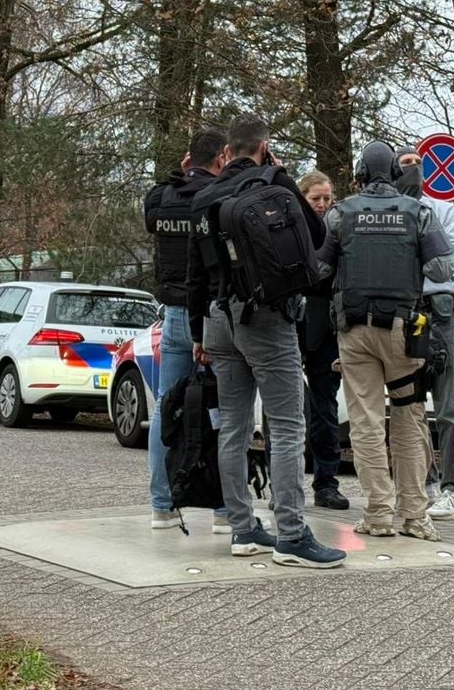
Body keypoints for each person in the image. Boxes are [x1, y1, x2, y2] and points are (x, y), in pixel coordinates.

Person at [188, 113, 346, 569]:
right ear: (265, 146)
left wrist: (199, 331)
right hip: (266, 318)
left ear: (226, 152)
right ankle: (293, 535)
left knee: (233, 427)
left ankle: (243, 529)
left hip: (218, 317)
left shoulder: (205, 195)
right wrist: (280, 176)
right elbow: (317, 236)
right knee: (287, 424)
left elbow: (194, 271)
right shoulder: (274, 180)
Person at [317, 141, 454, 542]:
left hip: (355, 332)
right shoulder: (420, 212)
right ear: (396, 172)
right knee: (410, 419)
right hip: (403, 332)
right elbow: (443, 265)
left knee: (365, 422)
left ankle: (378, 514)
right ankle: (415, 515)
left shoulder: (341, 213)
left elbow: (320, 267)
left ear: (360, 172)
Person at [143, 128, 229, 532]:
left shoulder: (162, 197)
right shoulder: (217, 196)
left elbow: (155, 202)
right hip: (207, 314)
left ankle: (162, 505)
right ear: (222, 158)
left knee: (166, 407)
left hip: (171, 313)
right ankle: (224, 510)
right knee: (222, 410)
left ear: (186, 159)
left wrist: (180, 173)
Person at [395, 145, 454, 520]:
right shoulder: (390, 213)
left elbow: (452, 260)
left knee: (450, 408)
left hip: (440, 311)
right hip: (405, 313)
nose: (411, 171)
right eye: (404, 165)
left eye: (415, 165)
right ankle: (422, 482)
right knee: (409, 408)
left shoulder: (443, 209)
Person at [296, 171, 348, 510]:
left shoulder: (337, 229)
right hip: (288, 318)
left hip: (323, 322)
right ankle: (285, 484)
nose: (322, 204)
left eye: (327, 198)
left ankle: (326, 481)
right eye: (316, 198)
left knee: (325, 406)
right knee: (284, 409)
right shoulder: (288, 225)